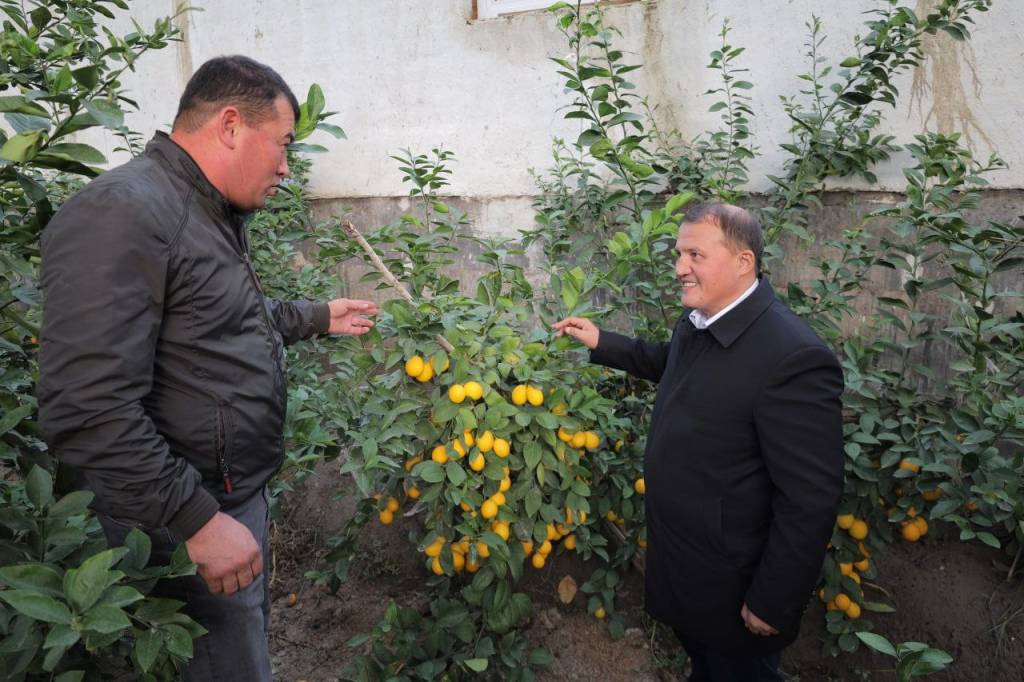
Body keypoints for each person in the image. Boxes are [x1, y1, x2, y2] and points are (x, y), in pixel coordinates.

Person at [38, 55, 377, 681]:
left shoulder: (202, 210)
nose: (285, 167)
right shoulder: (123, 212)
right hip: (182, 519)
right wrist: (196, 521)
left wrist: (316, 316)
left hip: (223, 502)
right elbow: (87, 407)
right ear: (229, 125)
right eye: (283, 144)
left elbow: (222, 319)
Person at [554, 203, 844, 681]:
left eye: (695, 255)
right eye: (678, 253)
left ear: (744, 262)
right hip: (689, 561)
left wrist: (774, 599)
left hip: (734, 582)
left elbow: (810, 498)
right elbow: (671, 362)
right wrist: (604, 342)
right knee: (705, 662)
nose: (679, 267)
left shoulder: (792, 358)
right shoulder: (702, 321)